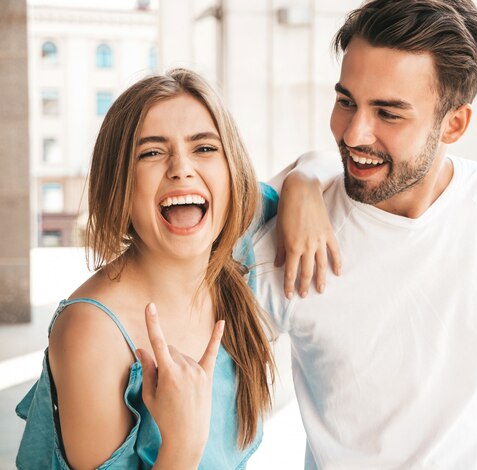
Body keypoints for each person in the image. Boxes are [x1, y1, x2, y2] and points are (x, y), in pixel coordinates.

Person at [254, 0, 477, 468]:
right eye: (346, 102)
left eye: (389, 113)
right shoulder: (288, 241)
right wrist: (300, 178)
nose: (354, 134)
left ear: (455, 123)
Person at [15, 68, 338, 469]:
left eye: (204, 148)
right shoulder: (92, 333)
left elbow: (325, 162)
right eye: (151, 152)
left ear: (231, 172)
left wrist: (304, 185)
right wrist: (182, 443)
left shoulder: (234, 243)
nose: (181, 168)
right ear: (120, 183)